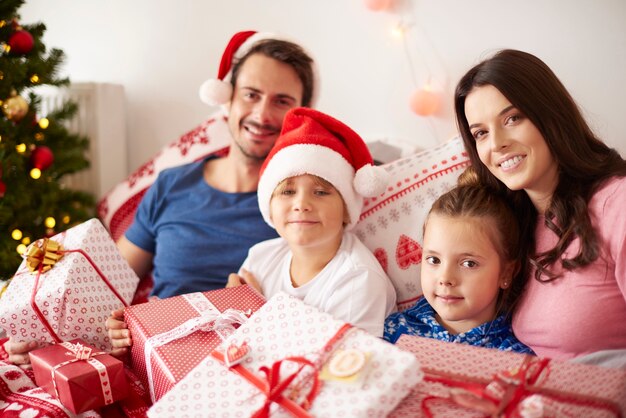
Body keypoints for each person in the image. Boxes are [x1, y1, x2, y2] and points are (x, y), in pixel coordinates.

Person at [3, 30, 319, 364]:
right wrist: (43, 339)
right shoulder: (173, 184)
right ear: (227, 99)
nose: (262, 114)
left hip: (248, 359)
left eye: (282, 101)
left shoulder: (305, 203)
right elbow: (105, 283)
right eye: (251, 95)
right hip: (153, 353)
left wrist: (250, 307)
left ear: (302, 114)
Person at [454, 49, 626, 362]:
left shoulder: (617, 205)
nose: (496, 144)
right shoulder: (512, 222)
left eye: (512, 118)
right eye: (480, 133)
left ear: (550, 114)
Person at [225, 107, 396, 337]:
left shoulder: (358, 279)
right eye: (287, 192)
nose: (301, 204)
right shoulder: (260, 258)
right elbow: (231, 333)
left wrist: (257, 314)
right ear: (270, 210)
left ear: (347, 210)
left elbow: (340, 364)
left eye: (320, 192)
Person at [384, 167, 533, 353]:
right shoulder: (392, 332)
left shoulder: (515, 357)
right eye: (434, 260)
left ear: (507, 272)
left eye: (468, 263)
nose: (445, 278)